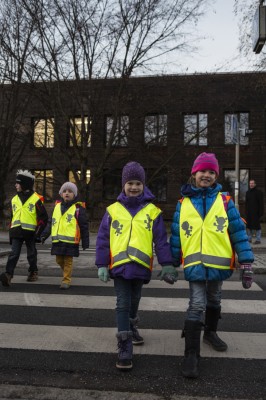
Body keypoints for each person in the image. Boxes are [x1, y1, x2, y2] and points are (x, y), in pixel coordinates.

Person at [170, 152, 254, 379]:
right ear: (194, 174)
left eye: (211, 172)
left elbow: (238, 232)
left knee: (215, 299)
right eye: (202, 171)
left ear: (216, 176)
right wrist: (171, 263)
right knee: (196, 304)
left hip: (218, 264)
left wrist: (246, 262)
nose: (206, 175)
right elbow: (176, 234)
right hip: (195, 264)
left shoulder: (225, 201)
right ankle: (191, 354)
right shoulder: (183, 203)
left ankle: (210, 332)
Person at [96, 161, 178, 371]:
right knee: (123, 302)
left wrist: (167, 263)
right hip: (120, 267)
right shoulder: (112, 211)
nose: (134, 187)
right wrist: (102, 264)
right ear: (123, 185)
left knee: (135, 300)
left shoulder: (153, 212)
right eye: (130, 183)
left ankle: (132, 326)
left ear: (144, 185)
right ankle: (124, 345)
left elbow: (160, 240)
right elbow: (103, 239)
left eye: (138, 183)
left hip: (141, 267)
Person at [0, 170, 48, 286]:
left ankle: (33, 271)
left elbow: (43, 217)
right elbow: (13, 217)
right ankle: (8, 274)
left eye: (18, 183)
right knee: (14, 254)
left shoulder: (36, 199)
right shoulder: (14, 200)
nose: (15, 185)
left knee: (31, 254)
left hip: (30, 232)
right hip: (16, 232)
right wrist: (11, 232)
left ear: (25, 184)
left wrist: (38, 233)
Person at [41, 182, 89, 289]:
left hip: (70, 242)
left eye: (70, 191)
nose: (67, 193)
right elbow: (50, 223)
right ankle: (68, 273)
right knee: (59, 260)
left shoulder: (78, 208)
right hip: (58, 240)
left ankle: (66, 280)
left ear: (74, 195)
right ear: (61, 194)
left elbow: (84, 226)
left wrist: (85, 242)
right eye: (65, 191)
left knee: (68, 261)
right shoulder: (56, 207)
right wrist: (44, 235)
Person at [245, 179, 264, 244]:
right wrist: (246, 211)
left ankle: (258, 239)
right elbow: (246, 203)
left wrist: (261, 213)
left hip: (256, 213)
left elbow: (261, 203)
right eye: (250, 183)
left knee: (257, 226)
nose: (251, 184)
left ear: (255, 184)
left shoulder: (259, 192)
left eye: (252, 183)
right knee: (248, 226)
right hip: (249, 212)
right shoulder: (247, 192)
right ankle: (249, 239)